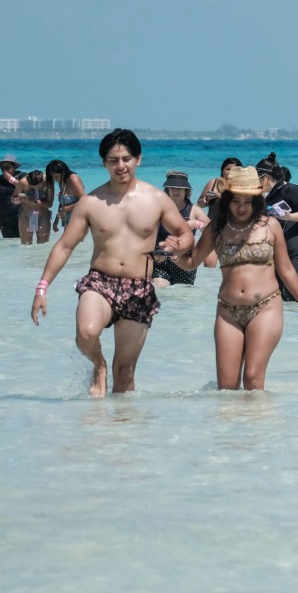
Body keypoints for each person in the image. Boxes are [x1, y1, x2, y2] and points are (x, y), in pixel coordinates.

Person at [29, 129, 193, 396]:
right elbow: (65, 245)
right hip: (99, 282)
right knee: (86, 333)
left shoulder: (156, 199)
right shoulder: (91, 203)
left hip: (139, 286)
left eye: (126, 159)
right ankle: (98, 365)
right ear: (103, 163)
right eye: (113, 160)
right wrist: (42, 288)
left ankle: (117, 433)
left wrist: (177, 247)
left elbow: (185, 234)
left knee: (125, 373)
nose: (120, 166)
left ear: (138, 159)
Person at [168, 166, 298, 390]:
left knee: (252, 379)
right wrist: (173, 256)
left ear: (257, 200)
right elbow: (192, 262)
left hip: (265, 307)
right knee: (226, 387)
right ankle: (232, 424)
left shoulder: (271, 226)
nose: (241, 207)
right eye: (236, 201)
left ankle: (258, 424)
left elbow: (287, 270)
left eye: (248, 201)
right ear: (227, 199)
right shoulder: (216, 229)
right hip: (228, 311)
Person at [257, 155, 298, 298]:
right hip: (281, 250)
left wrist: (288, 216)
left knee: (290, 293)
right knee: (277, 293)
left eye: (257, 179)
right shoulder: (269, 196)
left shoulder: (291, 190)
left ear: (265, 177)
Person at [151, 171, 213, 285]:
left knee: (182, 296)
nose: (176, 191)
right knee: (160, 288)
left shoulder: (194, 210)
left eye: (180, 188)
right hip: (161, 259)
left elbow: (213, 231)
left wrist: (197, 224)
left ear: (186, 191)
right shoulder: (159, 209)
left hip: (185, 259)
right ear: (167, 190)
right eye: (172, 188)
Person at [12, 168, 52, 245]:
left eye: (38, 187)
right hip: (26, 215)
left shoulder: (48, 183)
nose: (36, 189)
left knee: (43, 246)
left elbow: (49, 204)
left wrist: (30, 200)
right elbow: (13, 197)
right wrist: (16, 200)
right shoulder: (23, 182)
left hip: (43, 216)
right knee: (26, 246)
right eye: (32, 187)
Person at [46, 160, 86, 233]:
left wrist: (66, 209)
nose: (54, 179)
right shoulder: (62, 181)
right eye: (52, 176)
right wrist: (56, 220)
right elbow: (62, 202)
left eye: (56, 176)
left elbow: (84, 201)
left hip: (78, 219)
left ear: (63, 172)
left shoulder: (73, 178)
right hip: (68, 220)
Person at [0, 155, 20, 239]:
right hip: (4, 219)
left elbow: (26, 187)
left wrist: (10, 179)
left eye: (7, 168)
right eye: (2, 168)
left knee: (21, 242)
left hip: (20, 217)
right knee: (8, 244)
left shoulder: (22, 176)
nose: (4, 170)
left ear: (14, 167)